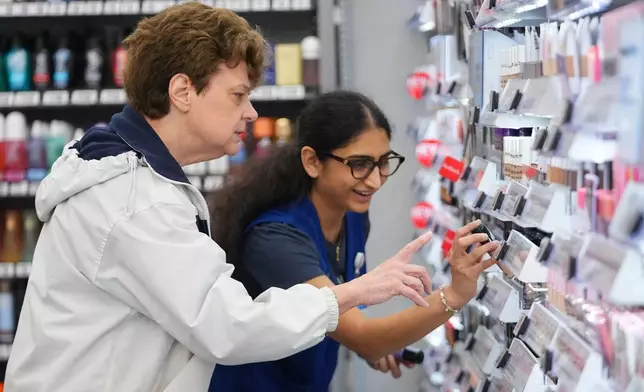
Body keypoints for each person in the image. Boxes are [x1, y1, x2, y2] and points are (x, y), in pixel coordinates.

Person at [4, 5, 436, 392]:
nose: (250, 112)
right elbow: (229, 326)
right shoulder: (134, 202)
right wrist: (351, 294)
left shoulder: (139, 181)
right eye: (238, 95)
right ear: (183, 92)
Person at [208, 91, 500, 391]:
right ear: (312, 162)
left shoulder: (352, 216)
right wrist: (453, 295)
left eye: (383, 162)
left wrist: (385, 342)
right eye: (359, 164)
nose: (374, 181)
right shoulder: (274, 239)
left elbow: (345, 313)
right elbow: (362, 335)